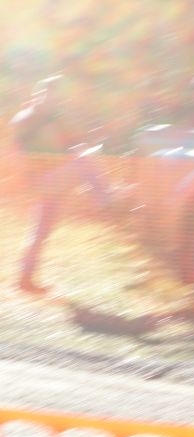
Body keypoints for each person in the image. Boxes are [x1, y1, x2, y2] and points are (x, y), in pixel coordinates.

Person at [11, 74, 120, 294]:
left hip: (53, 180)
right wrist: (26, 183)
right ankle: (107, 201)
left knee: (41, 231)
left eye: (56, 96)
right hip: (43, 181)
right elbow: (16, 154)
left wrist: (76, 149)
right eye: (49, 94)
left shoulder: (54, 118)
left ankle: (24, 279)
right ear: (38, 94)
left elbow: (66, 147)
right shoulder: (26, 118)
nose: (54, 99)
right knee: (87, 159)